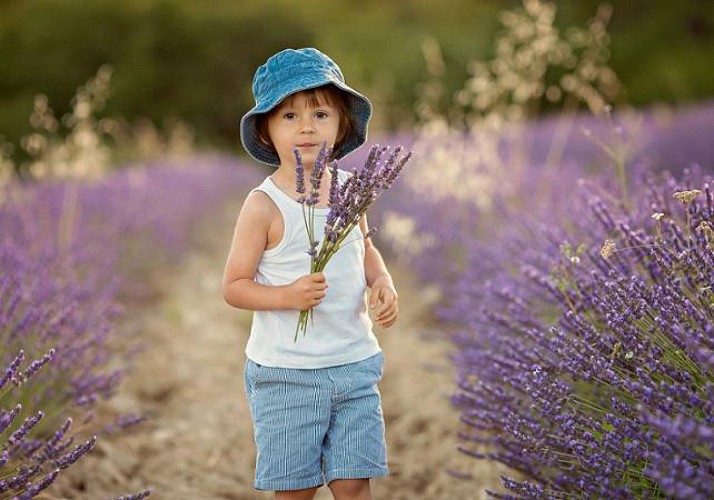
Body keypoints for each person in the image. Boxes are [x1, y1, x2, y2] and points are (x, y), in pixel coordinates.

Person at [222, 47, 399, 500]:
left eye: (320, 113)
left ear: (341, 127)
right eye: (288, 116)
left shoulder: (351, 192)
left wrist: (382, 281)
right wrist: (287, 296)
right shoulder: (263, 205)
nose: (306, 127)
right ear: (266, 130)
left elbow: (366, 249)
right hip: (287, 374)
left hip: (354, 364)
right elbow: (235, 287)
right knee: (295, 489)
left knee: (353, 483)